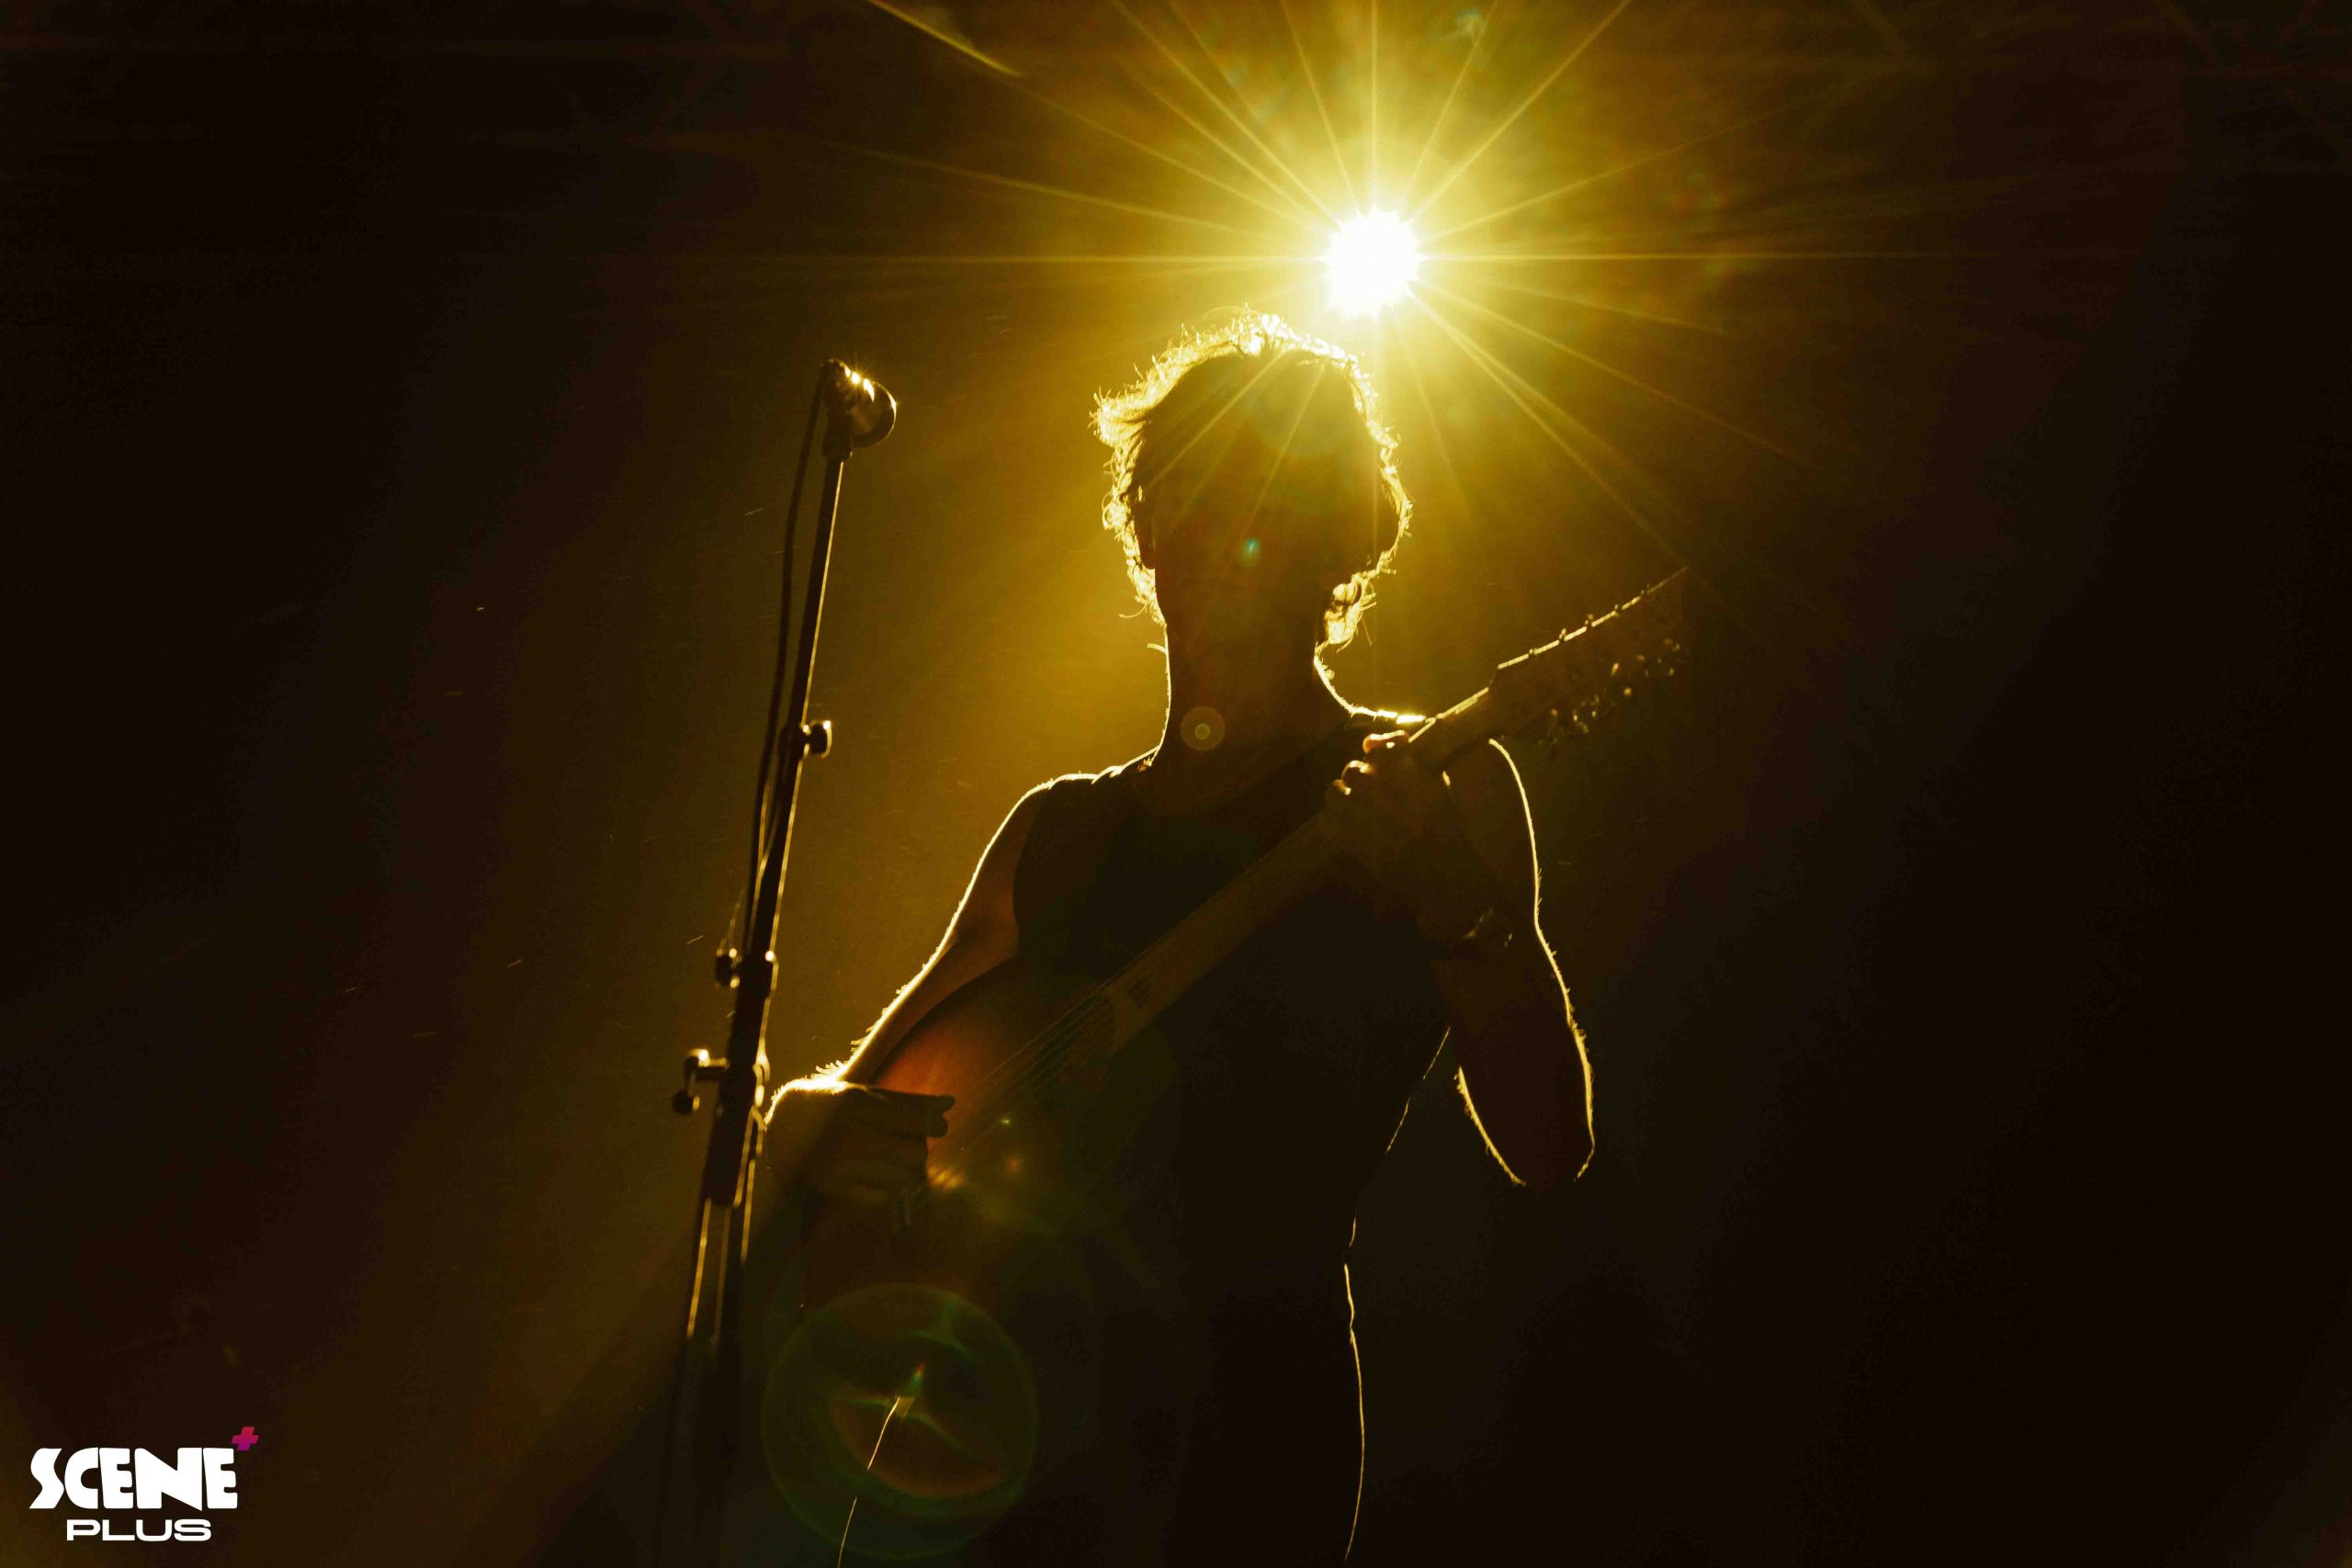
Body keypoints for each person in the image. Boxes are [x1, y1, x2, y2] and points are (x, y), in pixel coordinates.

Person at [760, 312, 1592, 1562]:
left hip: (1239, 1434)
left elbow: (1548, 1141)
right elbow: (867, 1099)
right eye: (1189, 489)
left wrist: (1449, 899)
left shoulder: (1437, 781)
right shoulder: (1057, 833)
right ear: (1143, 530)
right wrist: (804, 1119)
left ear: (1340, 537)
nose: (1225, 525)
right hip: (992, 1434)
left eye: (1273, 491)